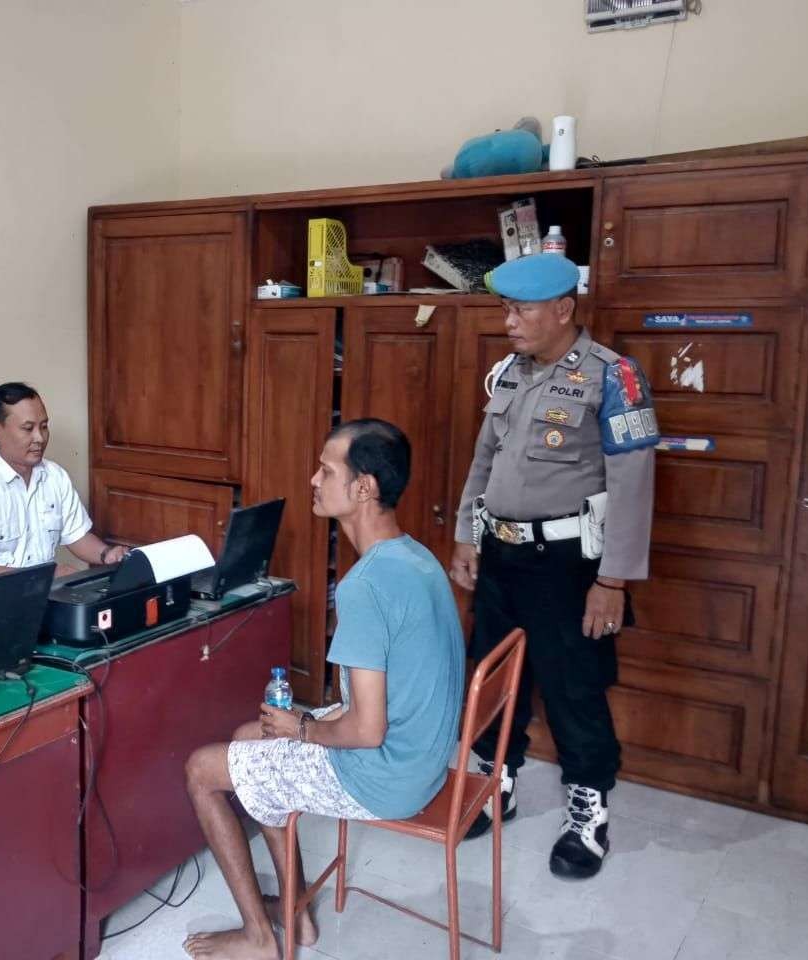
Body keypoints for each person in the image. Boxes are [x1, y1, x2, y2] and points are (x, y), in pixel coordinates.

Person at [182, 419, 465, 959]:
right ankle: (297, 915)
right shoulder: (417, 556)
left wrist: (304, 728)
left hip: (388, 776)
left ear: (364, 489)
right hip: (427, 757)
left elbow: (365, 729)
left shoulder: (365, 584)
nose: (314, 479)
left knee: (201, 769)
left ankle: (261, 937)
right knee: (249, 738)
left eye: (327, 470)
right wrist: (294, 730)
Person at [450, 252, 659, 880]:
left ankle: (588, 811)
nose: (508, 321)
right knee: (491, 679)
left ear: (564, 310)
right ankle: (498, 784)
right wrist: (467, 534)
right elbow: (482, 462)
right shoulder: (509, 374)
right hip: (502, 555)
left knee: (573, 686)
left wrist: (612, 581)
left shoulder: (613, 377)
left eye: (521, 310)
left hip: (568, 565)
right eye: (506, 309)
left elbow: (634, 486)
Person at [0, 382, 126, 586]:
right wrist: (43, 578)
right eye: (28, 428)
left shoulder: (55, 476)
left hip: (40, 600)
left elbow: (77, 536)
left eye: (43, 427)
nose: (39, 438)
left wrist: (107, 554)